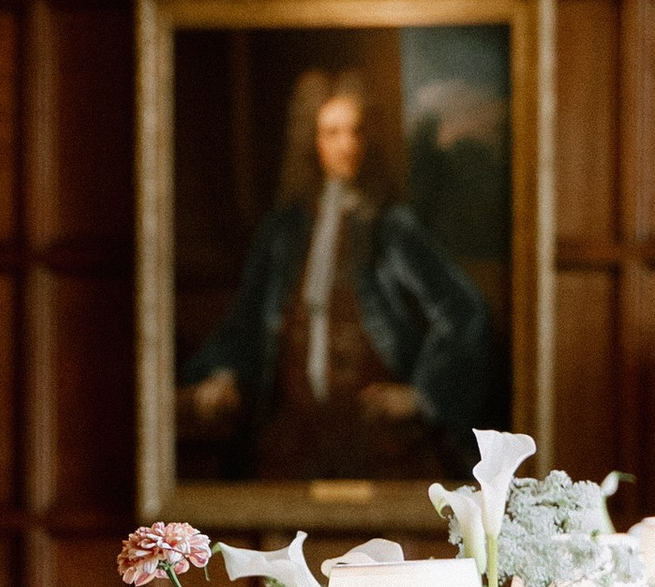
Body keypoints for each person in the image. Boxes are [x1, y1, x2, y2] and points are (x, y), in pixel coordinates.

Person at [180, 66, 497, 479]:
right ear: (311, 142)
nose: (347, 144)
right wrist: (222, 375)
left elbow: (465, 310)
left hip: (374, 437)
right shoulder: (284, 231)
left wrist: (422, 394)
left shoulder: (391, 227)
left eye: (356, 131)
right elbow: (246, 323)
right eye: (332, 132)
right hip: (295, 433)